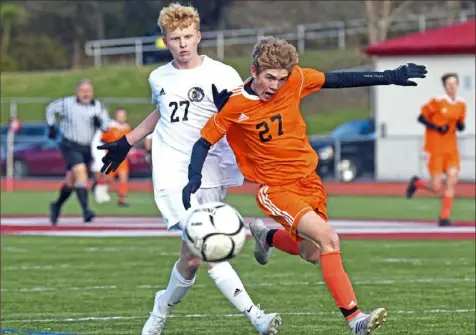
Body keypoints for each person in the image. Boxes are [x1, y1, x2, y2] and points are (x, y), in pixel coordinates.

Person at [182, 36, 427, 335]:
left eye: (280, 79)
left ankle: (268, 237)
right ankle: (355, 319)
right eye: (269, 77)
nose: (274, 85)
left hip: (309, 182)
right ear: (254, 70)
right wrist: (193, 176)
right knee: (329, 240)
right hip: (276, 189)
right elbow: (204, 140)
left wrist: (390, 77)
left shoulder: (295, 80)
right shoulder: (235, 105)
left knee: (312, 252)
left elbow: (339, 79)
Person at [97, 3, 281, 335]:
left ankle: (160, 309)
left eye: (186, 37)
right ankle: (257, 317)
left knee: (191, 259)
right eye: (174, 38)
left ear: (198, 36)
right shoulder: (158, 76)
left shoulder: (221, 74)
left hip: (209, 169)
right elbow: (162, 112)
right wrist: (128, 141)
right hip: (170, 172)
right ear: (165, 42)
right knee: (208, 244)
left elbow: (240, 115)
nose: (181, 44)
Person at [45, 79, 110, 225]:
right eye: (82, 91)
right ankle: (86, 210)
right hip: (70, 145)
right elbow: (50, 109)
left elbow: (106, 125)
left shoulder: (98, 106)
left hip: (87, 147)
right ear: (77, 92)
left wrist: (101, 123)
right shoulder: (67, 103)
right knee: (81, 174)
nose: (86, 94)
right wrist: (51, 126)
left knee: (70, 182)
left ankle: (56, 205)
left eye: (88, 91)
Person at [406, 73, 466, 226]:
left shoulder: (461, 104)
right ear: (445, 87)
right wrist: (437, 127)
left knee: (452, 180)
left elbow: (460, 123)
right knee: (436, 187)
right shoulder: (437, 102)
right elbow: (420, 117)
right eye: (449, 84)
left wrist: (461, 126)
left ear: (458, 85)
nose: (452, 87)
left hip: (451, 148)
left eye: (454, 84)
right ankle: (417, 183)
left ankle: (444, 217)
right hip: (435, 148)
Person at [100, 108, 132, 207]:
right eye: (119, 115)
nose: (121, 117)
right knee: (108, 178)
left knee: (123, 178)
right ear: (116, 116)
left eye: (123, 115)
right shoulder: (110, 127)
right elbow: (102, 139)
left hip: (122, 157)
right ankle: (98, 185)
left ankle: (121, 199)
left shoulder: (127, 127)